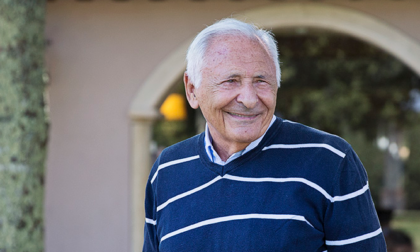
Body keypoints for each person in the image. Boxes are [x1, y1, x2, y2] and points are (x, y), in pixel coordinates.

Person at [143, 18, 386, 251]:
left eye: (261, 81)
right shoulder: (166, 171)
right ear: (192, 90)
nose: (249, 99)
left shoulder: (330, 161)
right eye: (231, 81)